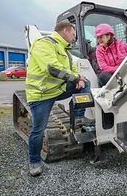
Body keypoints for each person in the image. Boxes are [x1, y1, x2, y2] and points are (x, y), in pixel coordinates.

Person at [26, 22, 91, 176]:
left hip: (56, 90)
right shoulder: (43, 44)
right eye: (73, 34)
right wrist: (76, 78)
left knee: (85, 84)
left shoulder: (65, 50)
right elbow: (52, 68)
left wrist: (79, 80)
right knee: (38, 129)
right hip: (41, 95)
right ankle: (34, 161)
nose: (75, 37)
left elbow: (72, 69)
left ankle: (77, 119)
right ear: (64, 31)